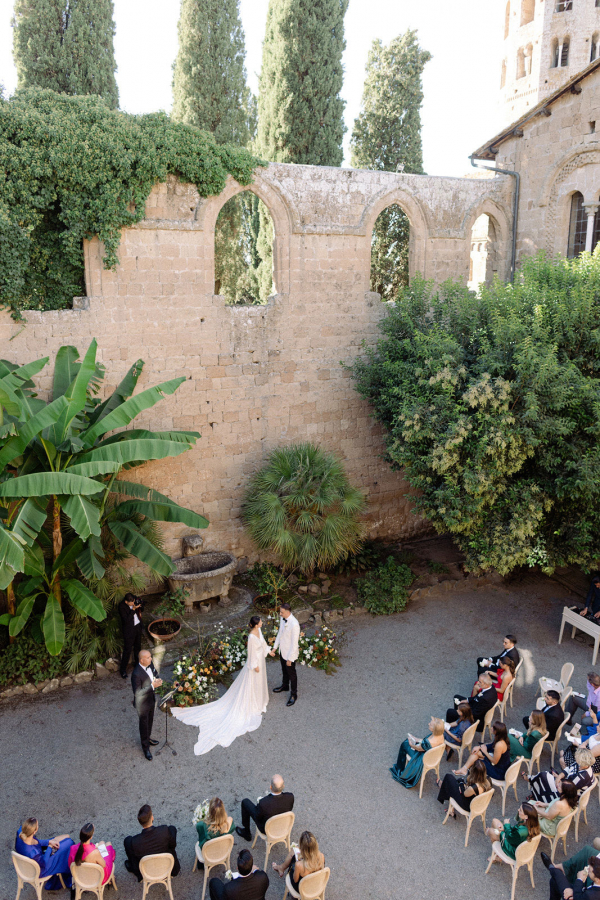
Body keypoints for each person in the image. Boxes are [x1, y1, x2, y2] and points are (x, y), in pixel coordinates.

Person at [172, 615, 270, 755]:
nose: (262, 622)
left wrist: (268, 650)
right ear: (255, 625)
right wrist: (255, 666)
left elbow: (264, 643)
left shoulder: (259, 632)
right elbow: (251, 653)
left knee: (259, 683)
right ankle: (252, 703)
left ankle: (260, 701)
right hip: (256, 665)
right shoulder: (251, 638)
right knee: (252, 684)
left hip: (261, 661)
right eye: (260, 621)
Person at [123, 804, 180, 882]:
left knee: (127, 842)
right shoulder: (164, 831)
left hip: (147, 873)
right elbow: (173, 845)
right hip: (169, 869)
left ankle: (136, 869)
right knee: (172, 829)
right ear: (152, 817)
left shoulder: (134, 842)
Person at [15, 817, 73, 891]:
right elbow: (44, 862)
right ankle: (67, 877)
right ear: (34, 831)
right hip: (41, 868)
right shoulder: (33, 853)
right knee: (68, 843)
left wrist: (49, 842)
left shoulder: (21, 832)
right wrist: (49, 847)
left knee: (65, 838)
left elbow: (36, 842)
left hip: (35, 859)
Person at [236, 775, 294, 843]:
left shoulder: (263, 803)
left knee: (245, 802)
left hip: (267, 829)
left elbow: (258, 817)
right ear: (283, 786)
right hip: (283, 827)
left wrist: (259, 806)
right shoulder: (290, 797)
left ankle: (246, 833)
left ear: (270, 787)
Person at [390, 717, 445, 788]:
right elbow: (424, 742)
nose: (428, 724)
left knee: (404, 744)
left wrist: (411, 743)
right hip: (434, 757)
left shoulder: (429, 742)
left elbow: (418, 748)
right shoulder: (440, 735)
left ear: (435, 729)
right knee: (407, 742)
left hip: (422, 757)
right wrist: (415, 739)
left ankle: (400, 768)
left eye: (430, 724)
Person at [527, 748, 595, 803]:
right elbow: (567, 769)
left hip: (568, 796)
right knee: (546, 776)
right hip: (567, 785)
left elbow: (567, 788)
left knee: (544, 776)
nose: (575, 758)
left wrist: (558, 780)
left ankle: (533, 786)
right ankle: (536, 795)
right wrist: (559, 777)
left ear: (582, 761)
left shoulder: (582, 777)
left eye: (577, 758)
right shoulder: (581, 765)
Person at [131, 649, 162, 760]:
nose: (151, 659)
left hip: (151, 699)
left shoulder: (150, 664)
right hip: (142, 704)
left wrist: (158, 680)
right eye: (148, 657)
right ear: (142, 660)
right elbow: (138, 693)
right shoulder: (136, 674)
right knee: (144, 725)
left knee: (150, 721)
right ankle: (145, 748)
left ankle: (148, 738)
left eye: (150, 656)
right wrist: (153, 686)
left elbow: (154, 673)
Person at [269, 603, 300, 707]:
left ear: (287, 612)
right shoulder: (283, 619)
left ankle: (294, 694)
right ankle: (285, 686)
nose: (280, 614)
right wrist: (275, 647)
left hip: (290, 653)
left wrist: (290, 659)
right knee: (284, 670)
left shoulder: (294, 624)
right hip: (283, 651)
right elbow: (280, 634)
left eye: (281, 612)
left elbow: (294, 644)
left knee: (292, 675)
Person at [195, 798, 235, 868]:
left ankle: (201, 865)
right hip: (223, 851)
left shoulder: (202, 825)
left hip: (207, 854)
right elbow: (230, 818)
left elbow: (201, 839)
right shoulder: (230, 825)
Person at [118, 592, 144, 679]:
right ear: (126, 602)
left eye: (133, 601)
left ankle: (137, 666)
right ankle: (123, 670)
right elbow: (126, 620)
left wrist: (140, 605)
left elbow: (142, 609)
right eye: (131, 602)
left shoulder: (134, 600)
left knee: (138, 648)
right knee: (127, 650)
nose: (133, 603)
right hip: (129, 631)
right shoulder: (121, 607)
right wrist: (133, 610)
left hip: (137, 628)